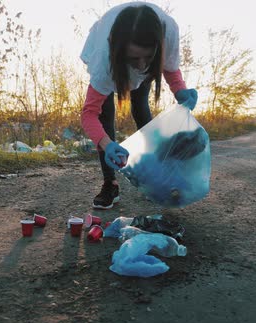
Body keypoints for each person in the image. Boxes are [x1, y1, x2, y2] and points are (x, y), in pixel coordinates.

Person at [80, 2, 198, 209]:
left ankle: (156, 174)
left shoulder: (169, 32)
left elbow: (169, 65)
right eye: (135, 58)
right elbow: (89, 113)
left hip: (140, 48)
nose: (142, 65)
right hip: (109, 56)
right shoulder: (104, 60)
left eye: (148, 57)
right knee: (105, 114)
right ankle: (110, 183)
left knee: (140, 105)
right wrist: (107, 144)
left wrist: (180, 90)